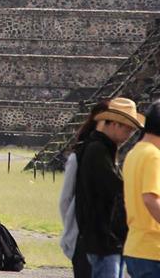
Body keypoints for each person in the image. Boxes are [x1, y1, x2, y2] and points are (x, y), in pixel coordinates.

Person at [77, 97, 144, 277]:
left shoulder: (103, 149)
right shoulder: (97, 150)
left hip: (107, 239)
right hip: (103, 240)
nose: (129, 134)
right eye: (127, 128)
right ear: (114, 124)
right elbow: (114, 190)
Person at [61, 101, 112, 278]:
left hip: (109, 240)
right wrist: (71, 234)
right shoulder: (80, 156)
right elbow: (66, 200)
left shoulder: (112, 157)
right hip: (85, 238)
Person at [123, 102, 160, 278]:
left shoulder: (134, 153)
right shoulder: (154, 155)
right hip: (153, 250)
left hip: (136, 246)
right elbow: (150, 199)